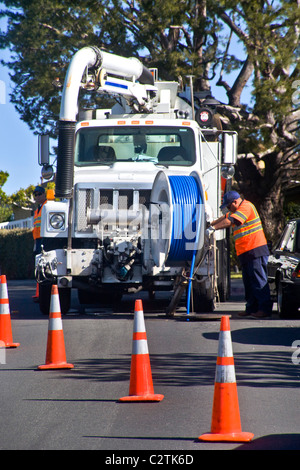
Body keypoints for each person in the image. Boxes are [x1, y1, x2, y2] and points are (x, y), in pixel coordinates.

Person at [209, 190, 272, 318]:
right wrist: (209, 225)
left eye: (228, 205)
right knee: (248, 282)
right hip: (246, 252)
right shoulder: (236, 210)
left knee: (259, 281)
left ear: (235, 201)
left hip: (255, 250)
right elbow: (225, 217)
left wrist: (213, 229)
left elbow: (230, 221)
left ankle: (264, 309)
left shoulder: (246, 207)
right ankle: (251, 308)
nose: (227, 208)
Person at [32, 186, 47, 255]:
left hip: (45, 238)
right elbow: (35, 227)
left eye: (39, 194)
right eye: (36, 195)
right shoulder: (37, 210)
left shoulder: (47, 206)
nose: (37, 196)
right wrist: (35, 242)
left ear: (44, 194)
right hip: (38, 239)